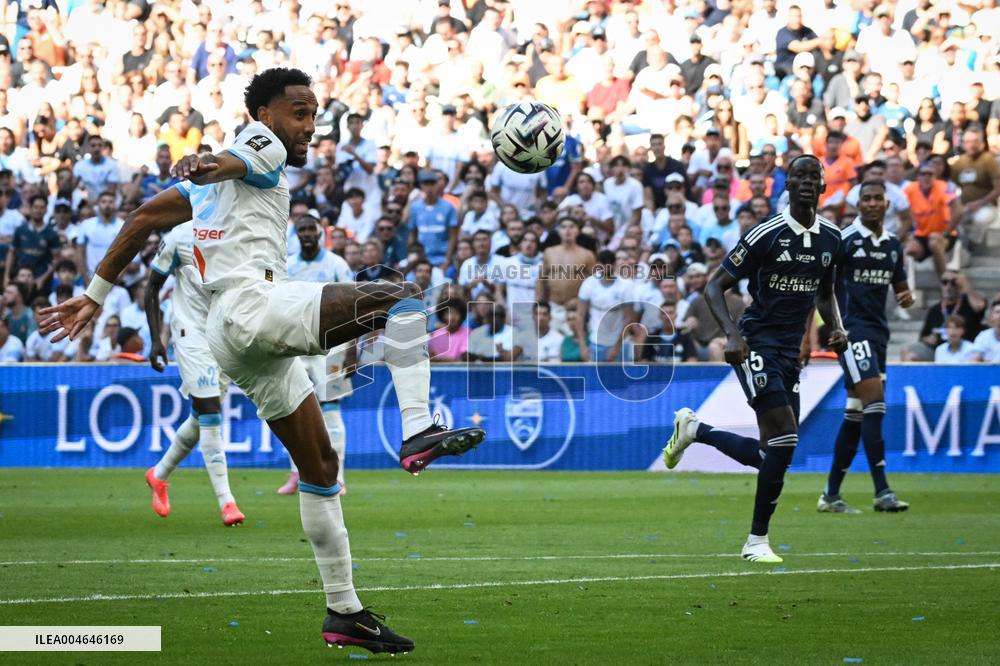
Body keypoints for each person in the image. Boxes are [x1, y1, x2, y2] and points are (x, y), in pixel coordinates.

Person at [40, 68, 485, 655]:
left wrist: (95, 296)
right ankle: (416, 428)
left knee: (321, 466)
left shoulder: (210, 190)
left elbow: (145, 218)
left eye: (314, 113)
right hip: (254, 306)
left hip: (231, 337)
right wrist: (205, 161)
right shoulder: (261, 144)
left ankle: (343, 611)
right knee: (402, 300)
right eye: (298, 112)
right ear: (264, 114)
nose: (308, 125)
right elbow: (227, 160)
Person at [662, 155, 847, 563]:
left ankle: (695, 430)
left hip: (788, 351)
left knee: (774, 452)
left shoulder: (832, 238)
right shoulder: (766, 233)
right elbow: (715, 286)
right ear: (787, 185)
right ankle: (755, 541)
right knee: (786, 434)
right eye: (796, 176)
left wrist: (835, 327)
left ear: (823, 188)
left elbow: (823, 291)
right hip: (755, 342)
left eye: (811, 177)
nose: (803, 182)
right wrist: (732, 333)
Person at [818, 181, 914, 515]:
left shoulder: (891, 244)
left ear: (887, 204)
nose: (872, 203)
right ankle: (882, 490)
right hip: (851, 333)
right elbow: (822, 286)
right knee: (875, 402)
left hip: (879, 334)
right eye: (866, 199)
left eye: (877, 199)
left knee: (857, 412)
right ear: (857, 204)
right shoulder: (844, 240)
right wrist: (828, 328)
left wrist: (906, 295)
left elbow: (901, 286)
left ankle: (830, 495)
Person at [143, 222, 246, 526]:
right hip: (190, 334)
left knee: (200, 416)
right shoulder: (178, 236)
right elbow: (151, 287)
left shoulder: (237, 231)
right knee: (211, 412)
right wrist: (155, 339)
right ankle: (227, 502)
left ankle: (159, 474)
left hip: (224, 335)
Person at [278, 214, 357, 496]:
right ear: (297, 234)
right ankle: (297, 473)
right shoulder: (288, 266)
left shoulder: (336, 265)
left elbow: (354, 307)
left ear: (321, 232)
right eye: (302, 230)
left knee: (332, 410)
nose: (307, 234)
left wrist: (351, 350)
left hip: (331, 345)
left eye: (312, 229)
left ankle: (340, 476)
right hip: (297, 346)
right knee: (293, 411)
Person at [902, 270, 986, 361]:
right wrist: (928, 339)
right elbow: (923, 336)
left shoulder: (969, 304)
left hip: (965, 352)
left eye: (953, 282)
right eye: (944, 282)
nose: (948, 286)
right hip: (938, 351)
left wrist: (966, 285)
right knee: (908, 353)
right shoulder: (934, 310)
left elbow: (980, 305)